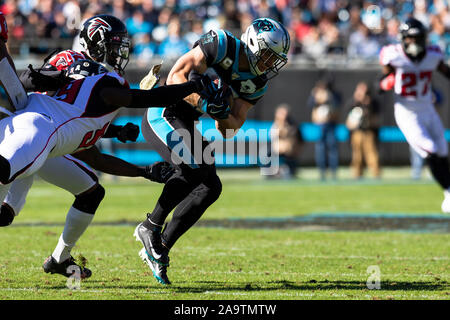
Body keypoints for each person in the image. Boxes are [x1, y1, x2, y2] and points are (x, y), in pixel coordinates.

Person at [0, 14, 214, 278]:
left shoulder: (70, 64)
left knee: (90, 191)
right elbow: (146, 98)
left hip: (39, 134)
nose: (120, 54)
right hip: (37, 132)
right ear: (97, 45)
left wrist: (129, 152)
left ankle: (59, 258)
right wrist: (191, 86)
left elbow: (79, 133)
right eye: (115, 47)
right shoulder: (107, 81)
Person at [133, 17, 290, 285]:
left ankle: (160, 248)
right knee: (195, 166)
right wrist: (207, 103)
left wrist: (222, 111)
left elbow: (229, 128)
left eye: (274, 59)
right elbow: (175, 78)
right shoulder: (222, 44)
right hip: (164, 111)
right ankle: (150, 226)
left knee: (209, 187)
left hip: (187, 120)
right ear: (252, 44)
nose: (269, 64)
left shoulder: (257, 82)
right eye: (266, 55)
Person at [379, 17, 450, 213]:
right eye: (410, 38)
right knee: (430, 148)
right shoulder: (393, 55)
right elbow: (383, 80)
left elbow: (445, 71)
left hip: (427, 108)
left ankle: (448, 193)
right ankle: (448, 192)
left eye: (418, 38)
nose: (415, 42)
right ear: (403, 39)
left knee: (443, 151)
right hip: (407, 112)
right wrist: (385, 83)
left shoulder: (433, 54)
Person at [345, 81, 380, 179]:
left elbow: (376, 119)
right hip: (357, 132)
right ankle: (357, 174)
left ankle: (376, 174)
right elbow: (348, 121)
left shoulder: (372, 102)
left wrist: (367, 107)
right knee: (357, 155)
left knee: (371, 154)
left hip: (368, 131)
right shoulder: (352, 103)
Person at [308, 80, 340, 181]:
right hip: (320, 125)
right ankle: (322, 171)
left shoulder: (332, 95)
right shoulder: (315, 95)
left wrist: (328, 97)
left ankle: (333, 171)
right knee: (320, 148)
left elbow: (337, 104)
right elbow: (310, 104)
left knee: (332, 147)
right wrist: (315, 96)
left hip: (330, 124)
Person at [270, 104, 303, 179]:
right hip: (278, 150)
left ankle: (289, 170)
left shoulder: (294, 125)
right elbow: (274, 139)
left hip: (291, 151)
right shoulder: (275, 125)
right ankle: (277, 171)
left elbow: (299, 140)